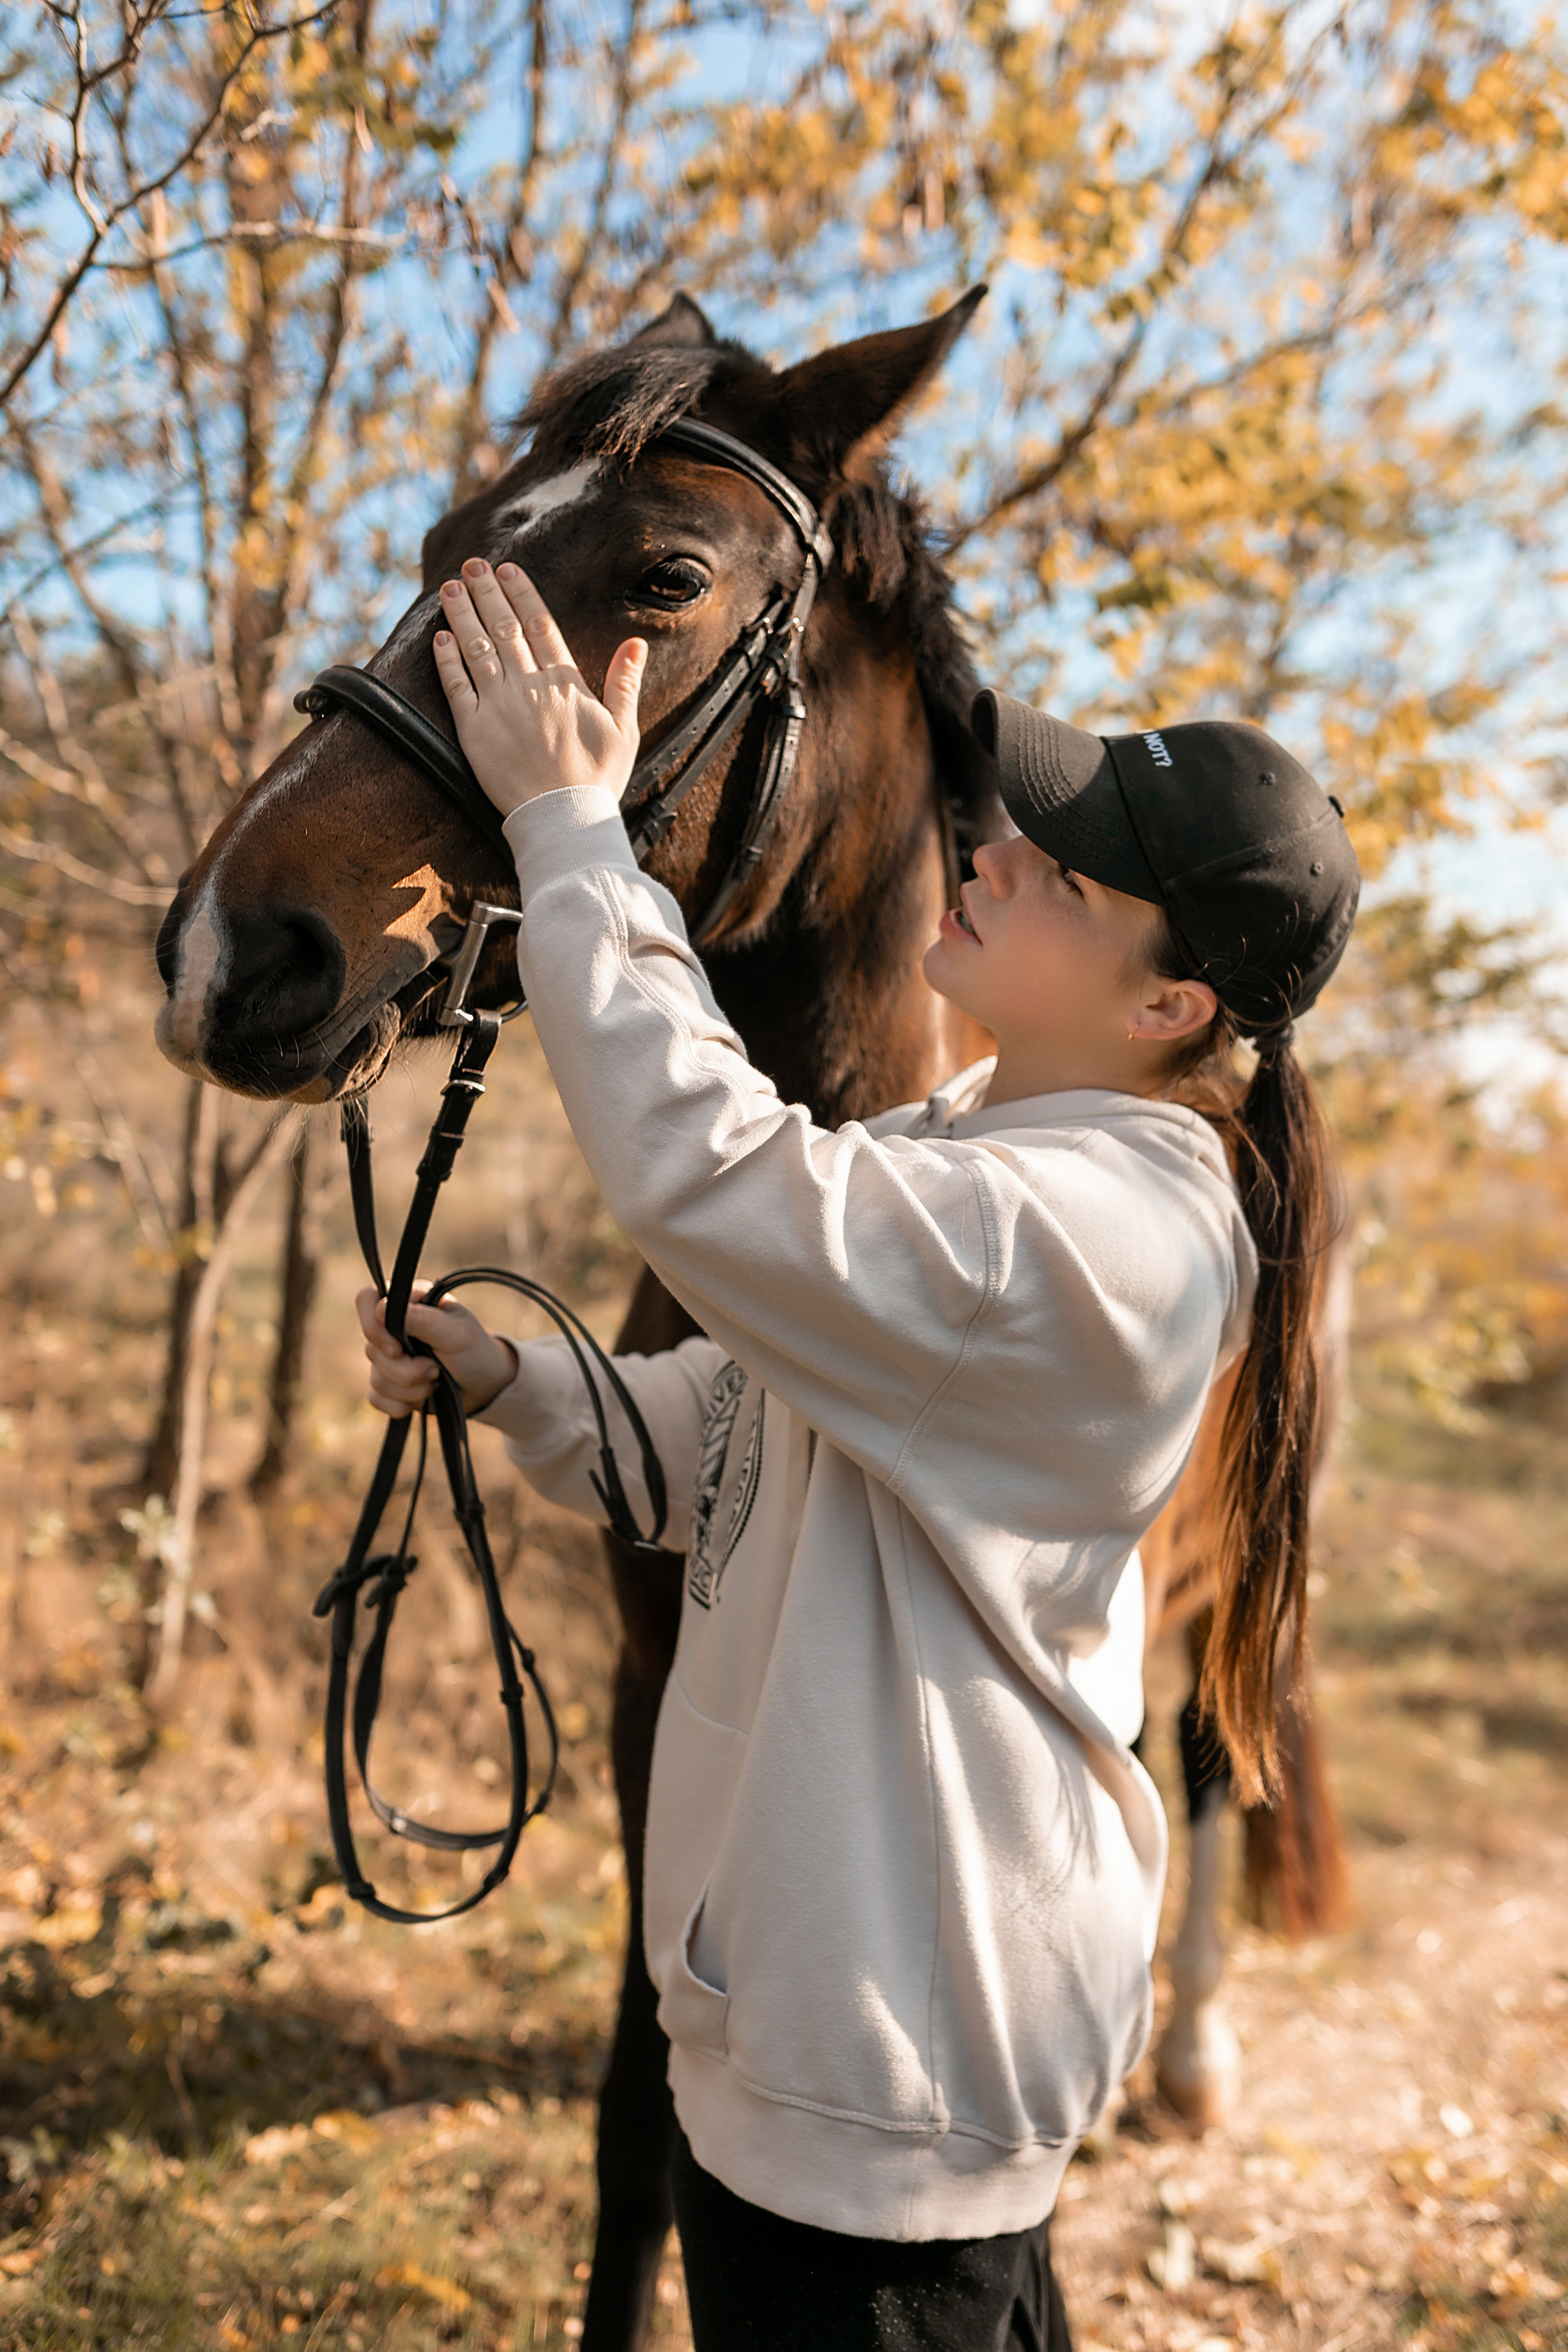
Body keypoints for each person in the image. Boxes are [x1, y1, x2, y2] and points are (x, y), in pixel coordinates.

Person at [358, 555, 1359, 2351]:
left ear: (1167, 1008)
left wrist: (576, 833)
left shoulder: (1099, 1232)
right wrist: (517, 1379)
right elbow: (739, 1441)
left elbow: (715, 1177)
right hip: (837, 2041)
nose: (980, 855)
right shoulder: (980, 1155)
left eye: (1050, 875)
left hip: (881, 2087)